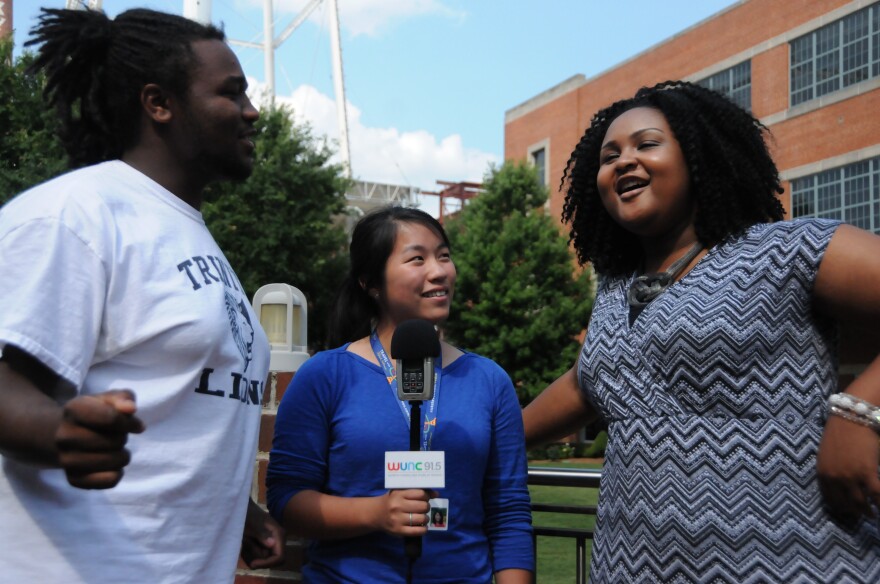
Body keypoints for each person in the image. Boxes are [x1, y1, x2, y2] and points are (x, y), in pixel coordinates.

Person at [523, 80, 880, 583]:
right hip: (627, 565)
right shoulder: (613, 289)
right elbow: (590, 383)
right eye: (609, 156)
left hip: (791, 559)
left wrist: (859, 413)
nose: (624, 161)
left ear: (698, 157)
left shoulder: (782, 250)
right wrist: (497, 440)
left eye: (647, 144)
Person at [0, 7, 284, 582]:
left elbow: (180, 406)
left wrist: (235, 508)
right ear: (159, 103)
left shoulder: (185, 230)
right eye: (232, 94)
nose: (252, 112)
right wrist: (60, 433)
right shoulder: (73, 216)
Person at [267, 206, 534, 583]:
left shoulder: (489, 380)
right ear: (371, 282)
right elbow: (287, 498)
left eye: (444, 255)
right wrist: (376, 513)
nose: (439, 271)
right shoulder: (326, 375)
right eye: (417, 259)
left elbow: (509, 512)